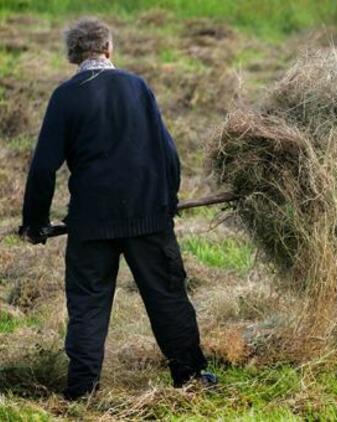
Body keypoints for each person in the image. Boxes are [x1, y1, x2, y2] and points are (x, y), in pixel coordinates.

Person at [19, 17, 217, 401]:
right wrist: (168, 200)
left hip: (91, 223)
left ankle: (82, 391)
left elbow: (43, 166)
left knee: (88, 305)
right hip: (148, 216)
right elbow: (169, 153)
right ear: (109, 49)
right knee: (167, 297)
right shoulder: (137, 87)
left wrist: (34, 223)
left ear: (73, 56)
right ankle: (190, 377)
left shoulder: (66, 96)